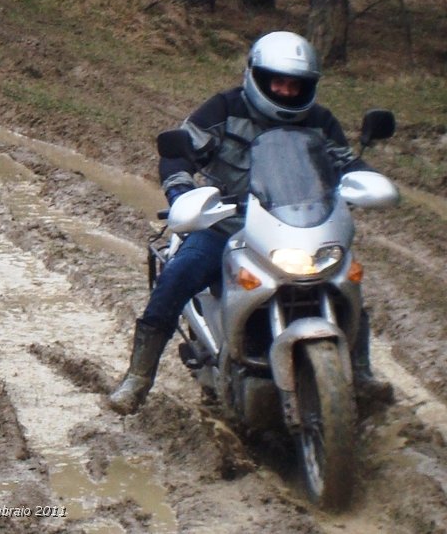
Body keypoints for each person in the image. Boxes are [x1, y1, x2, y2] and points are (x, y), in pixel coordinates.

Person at [109, 30, 394, 415]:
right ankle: (138, 379)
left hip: (298, 227)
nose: (286, 90)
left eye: (296, 84)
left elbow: (345, 163)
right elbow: (178, 154)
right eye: (277, 81)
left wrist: (366, 180)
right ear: (257, 76)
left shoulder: (321, 121)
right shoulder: (223, 110)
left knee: (347, 281)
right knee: (177, 276)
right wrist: (182, 194)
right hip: (228, 226)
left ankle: (360, 372)